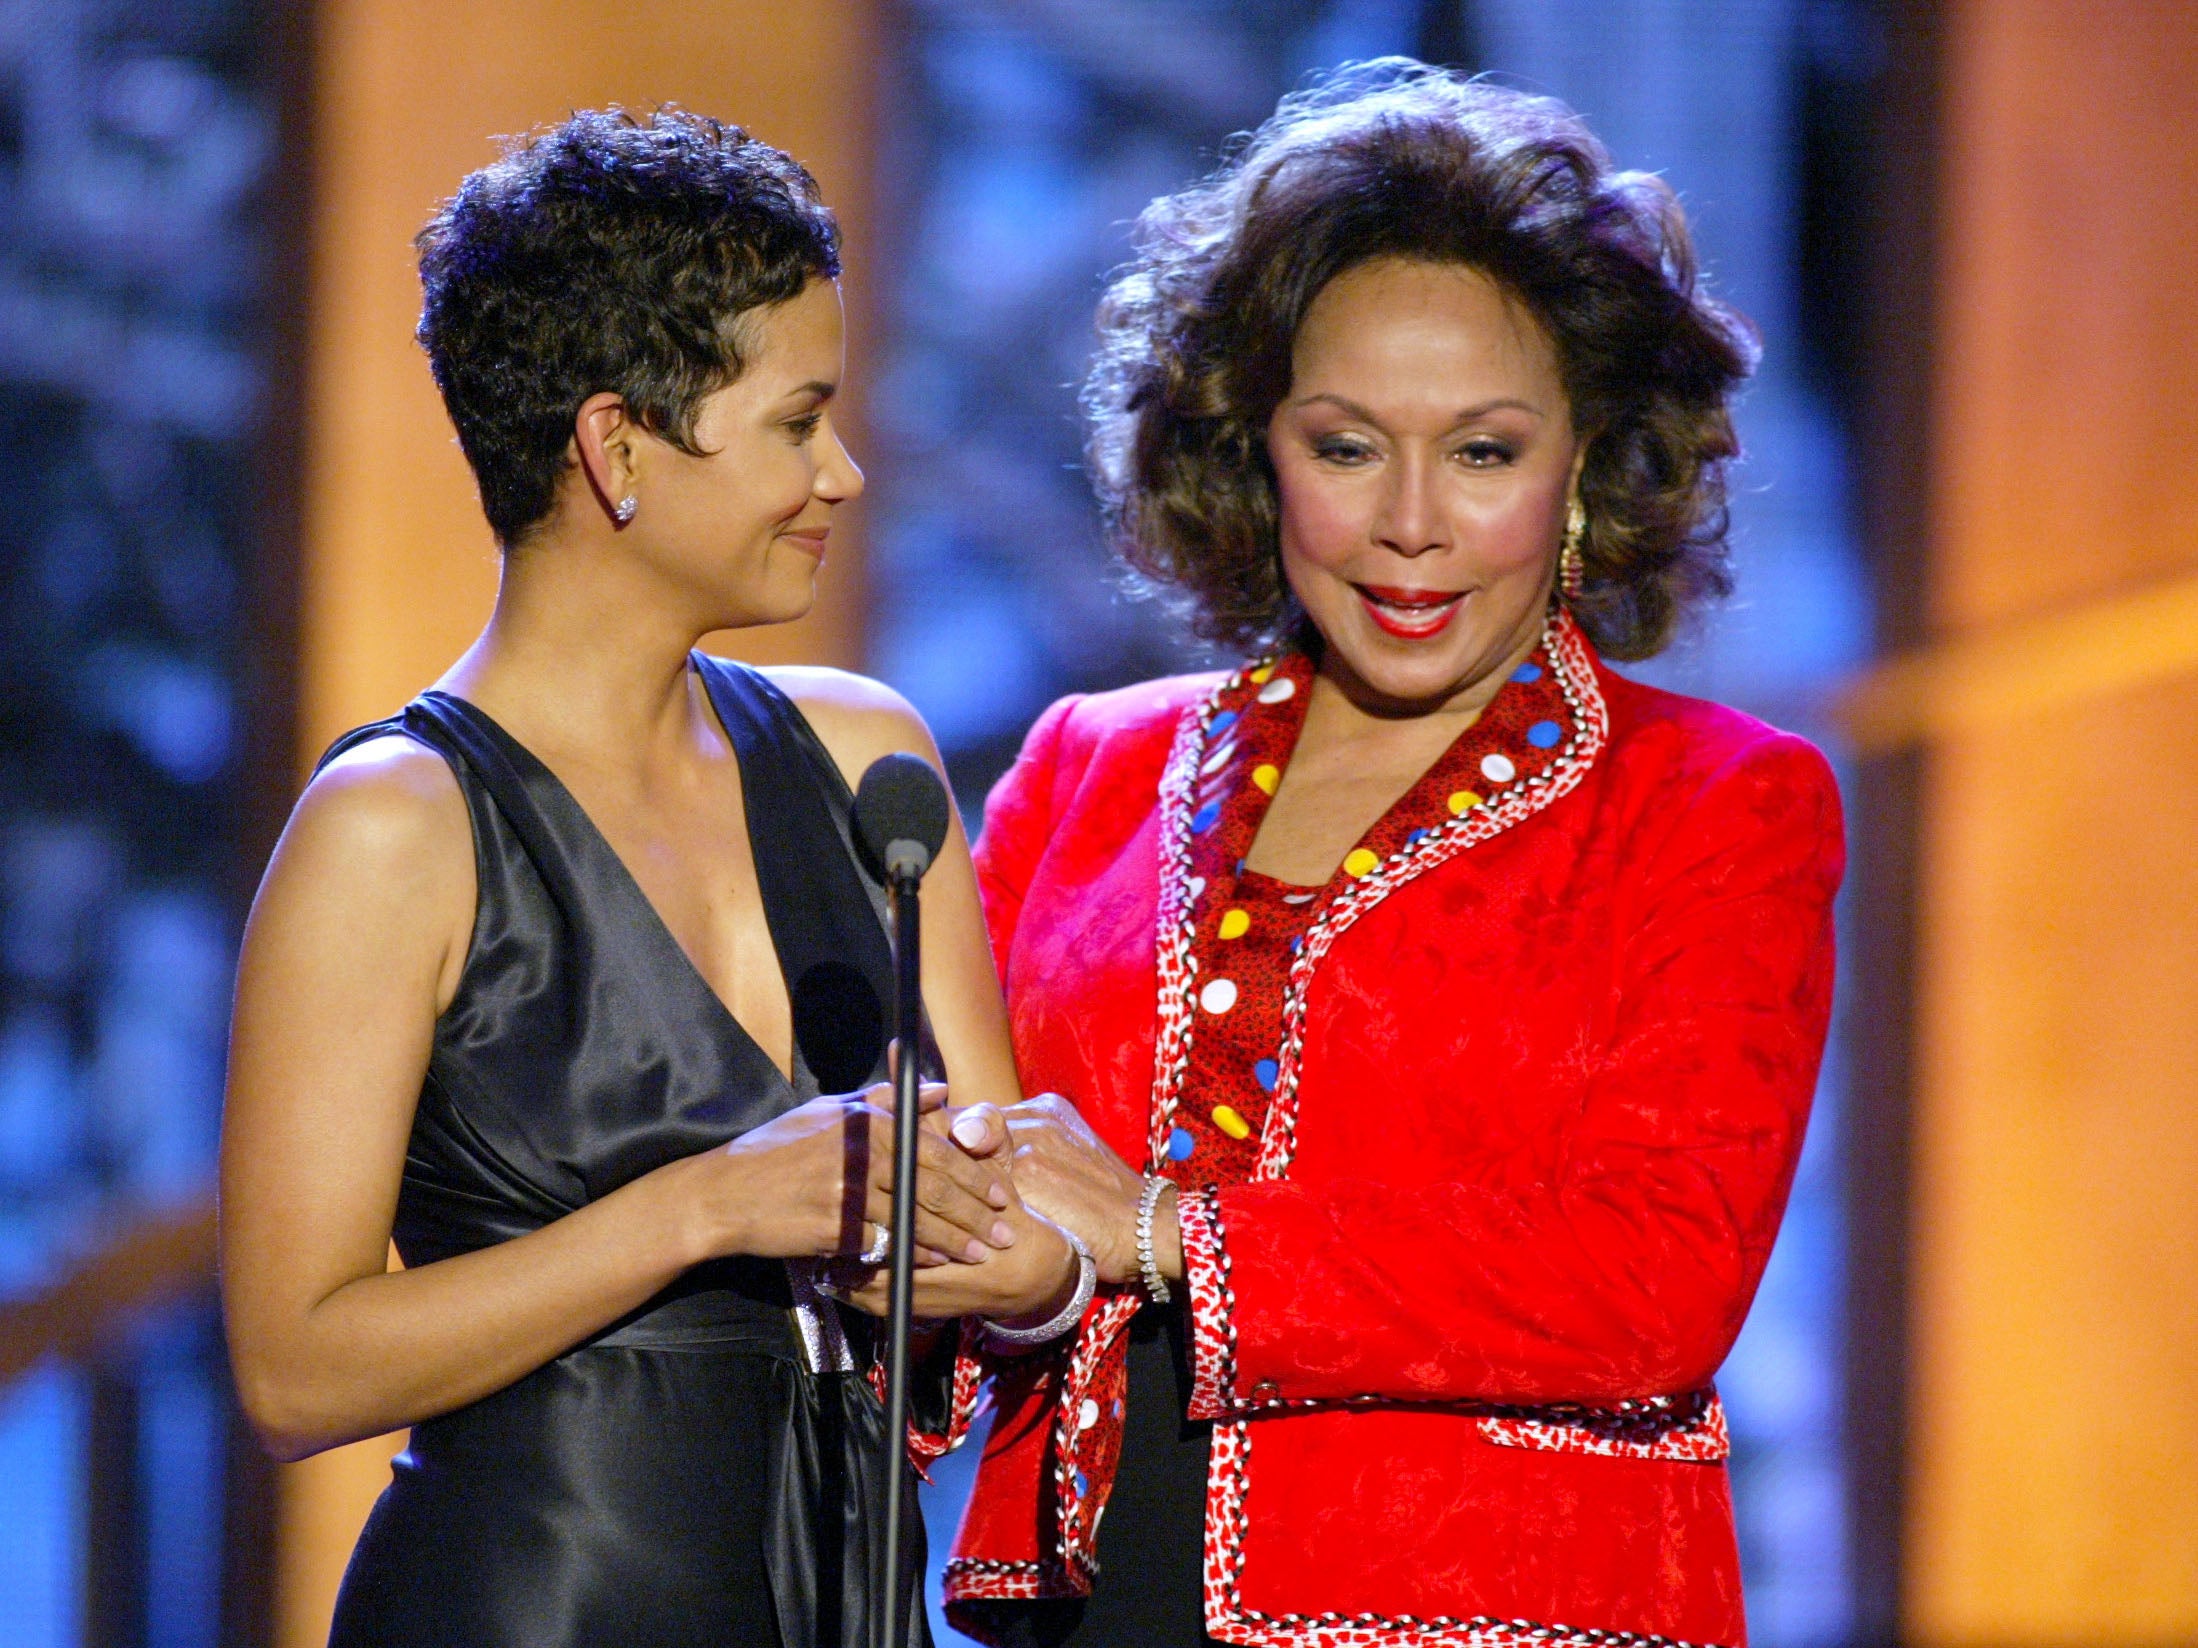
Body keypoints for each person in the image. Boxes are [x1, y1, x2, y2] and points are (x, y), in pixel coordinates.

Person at [917, 62, 1845, 1648]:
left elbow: (1654, 1277)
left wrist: (1163, 1233)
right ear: (1250, 446)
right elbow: (975, 1219)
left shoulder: (1715, 800)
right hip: (1082, 1602)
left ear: (1583, 464)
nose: (1410, 523)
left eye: (1482, 453)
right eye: (1345, 447)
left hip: (1505, 1608)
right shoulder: (1085, 769)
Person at [217, 109, 1081, 1648]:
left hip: (841, 1603)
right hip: (530, 1604)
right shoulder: (396, 827)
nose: (847, 473)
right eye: (798, 422)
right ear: (617, 446)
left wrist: (1040, 1268)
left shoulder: (867, 766)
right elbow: (296, 1368)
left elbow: (991, 1235)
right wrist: (706, 1209)